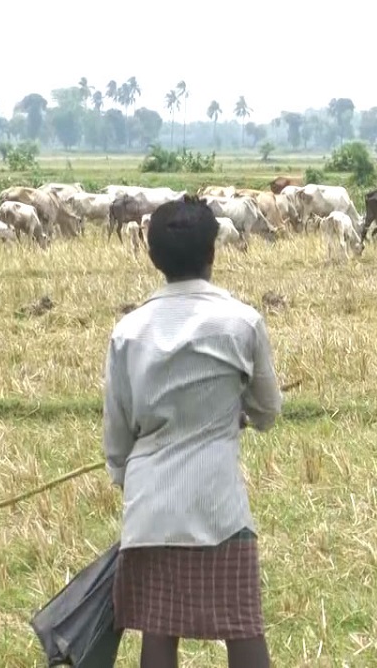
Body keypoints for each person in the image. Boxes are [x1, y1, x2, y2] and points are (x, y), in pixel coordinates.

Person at [102, 193, 283, 668]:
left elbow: (118, 433)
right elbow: (267, 410)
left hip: (151, 511)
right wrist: (236, 411)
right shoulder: (242, 323)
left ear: (152, 254)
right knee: (243, 628)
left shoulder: (128, 330)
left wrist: (127, 477)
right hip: (219, 509)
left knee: (158, 633)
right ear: (213, 251)